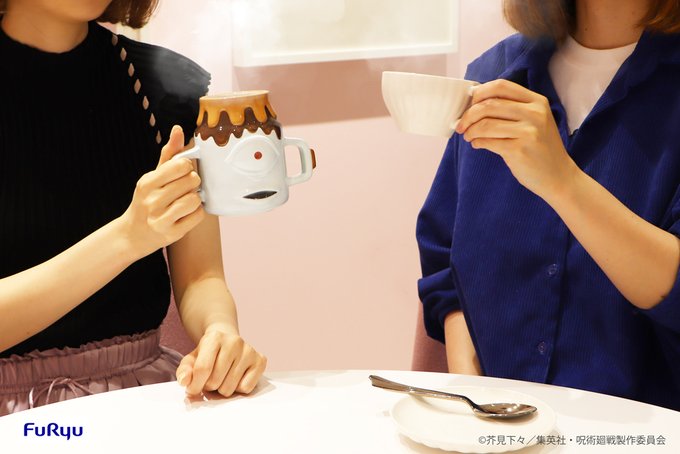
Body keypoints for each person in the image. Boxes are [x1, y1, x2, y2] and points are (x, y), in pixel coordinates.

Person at [0, 0, 266, 416]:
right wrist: (127, 237)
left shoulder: (163, 87)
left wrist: (219, 331)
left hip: (139, 398)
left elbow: (202, 276)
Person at [417, 0, 680, 410]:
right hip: (493, 425)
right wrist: (472, 393)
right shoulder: (494, 75)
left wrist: (563, 182)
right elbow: (446, 265)